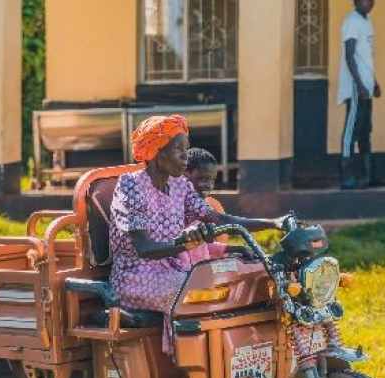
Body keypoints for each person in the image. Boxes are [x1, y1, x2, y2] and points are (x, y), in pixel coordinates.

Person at [110, 116, 285, 353]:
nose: (185, 156)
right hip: (135, 275)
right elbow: (144, 248)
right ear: (156, 152)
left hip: (175, 269)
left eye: (186, 149)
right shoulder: (131, 185)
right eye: (178, 149)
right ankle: (195, 364)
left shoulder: (180, 185)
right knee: (206, 293)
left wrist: (274, 223)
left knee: (239, 279)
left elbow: (220, 219)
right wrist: (183, 244)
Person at [179, 147, 249, 270]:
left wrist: (240, 249)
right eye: (203, 178)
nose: (209, 185)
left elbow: (204, 246)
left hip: (204, 273)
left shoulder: (203, 208)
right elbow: (180, 250)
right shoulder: (175, 210)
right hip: (188, 279)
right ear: (184, 175)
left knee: (248, 267)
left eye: (212, 180)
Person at [338, 0, 382, 190]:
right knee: (351, 131)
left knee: (365, 131)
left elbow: (365, 58)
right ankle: (347, 177)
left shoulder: (366, 22)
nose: (370, 2)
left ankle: (367, 176)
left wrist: (374, 82)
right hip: (357, 87)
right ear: (355, 1)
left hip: (366, 85)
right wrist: (360, 85)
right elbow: (349, 56)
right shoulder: (352, 21)